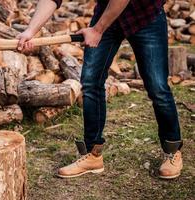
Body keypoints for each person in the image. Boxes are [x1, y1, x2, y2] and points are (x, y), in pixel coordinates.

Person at [17, 0, 183, 180]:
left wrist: (97, 30)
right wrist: (31, 30)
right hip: (107, 11)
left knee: (157, 86)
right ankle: (92, 154)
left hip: (144, 14)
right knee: (90, 83)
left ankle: (172, 151)